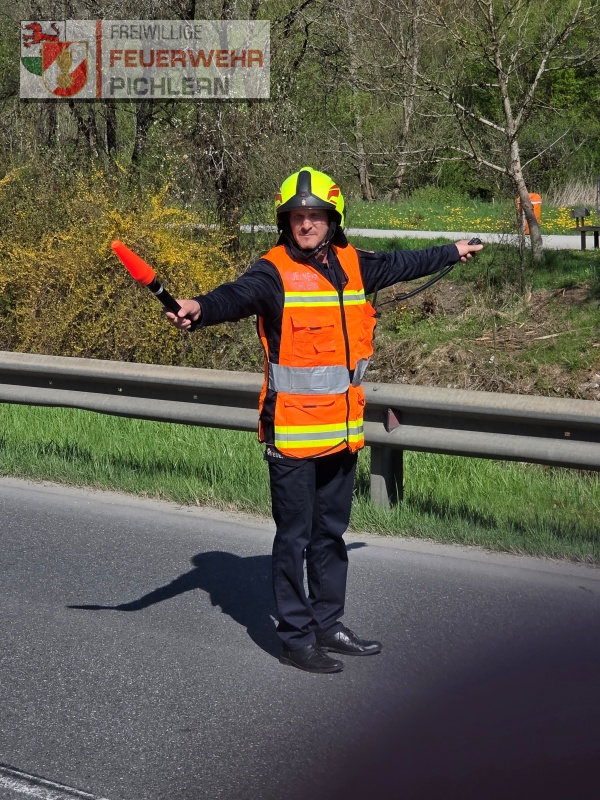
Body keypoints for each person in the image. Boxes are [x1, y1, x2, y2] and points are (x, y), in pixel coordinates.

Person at [165, 167, 482, 674]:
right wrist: (198, 308)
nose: (306, 223)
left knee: (330, 534)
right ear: (285, 222)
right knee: (293, 539)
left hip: (341, 431)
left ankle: (328, 623)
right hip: (292, 434)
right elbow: (233, 296)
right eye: (297, 216)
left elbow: (403, 263)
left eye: (315, 215)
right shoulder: (272, 272)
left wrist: (452, 251)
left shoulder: (352, 263)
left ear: (333, 220)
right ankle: (295, 638)